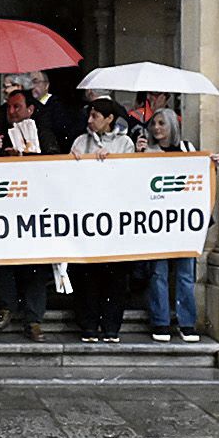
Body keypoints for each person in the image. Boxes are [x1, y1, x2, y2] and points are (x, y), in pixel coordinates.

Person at [0, 88, 55, 341]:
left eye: (17, 107)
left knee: (36, 264)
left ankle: (34, 319)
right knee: (4, 260)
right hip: (5, 209)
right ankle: (6, 306)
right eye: (9, 107)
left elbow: (57, 166)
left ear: (30, 110)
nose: (12, 112)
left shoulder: (45, 135)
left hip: (36, 210)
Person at [70, 98, 136, 343]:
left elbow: (130, 176)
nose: (90, 120)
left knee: (115, 275)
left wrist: (113, 161)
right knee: (87, 273)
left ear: (109, 119)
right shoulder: (80, 141)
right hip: (87, 218)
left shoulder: (124, 143)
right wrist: (74, 161)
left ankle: (111, 327)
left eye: (96, 116)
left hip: (114, 219)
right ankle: (88, 325)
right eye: (89, 115)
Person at [144, 107, 201, 342]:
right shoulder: (148, 150)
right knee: (159, 272)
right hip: (158, 220)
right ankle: (161, 321)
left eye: (162, 123)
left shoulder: (187, 149)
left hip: (183, 220)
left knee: (185, 273)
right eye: (154, 124)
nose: (157, 128)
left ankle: (187, 322)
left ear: (172, 126)